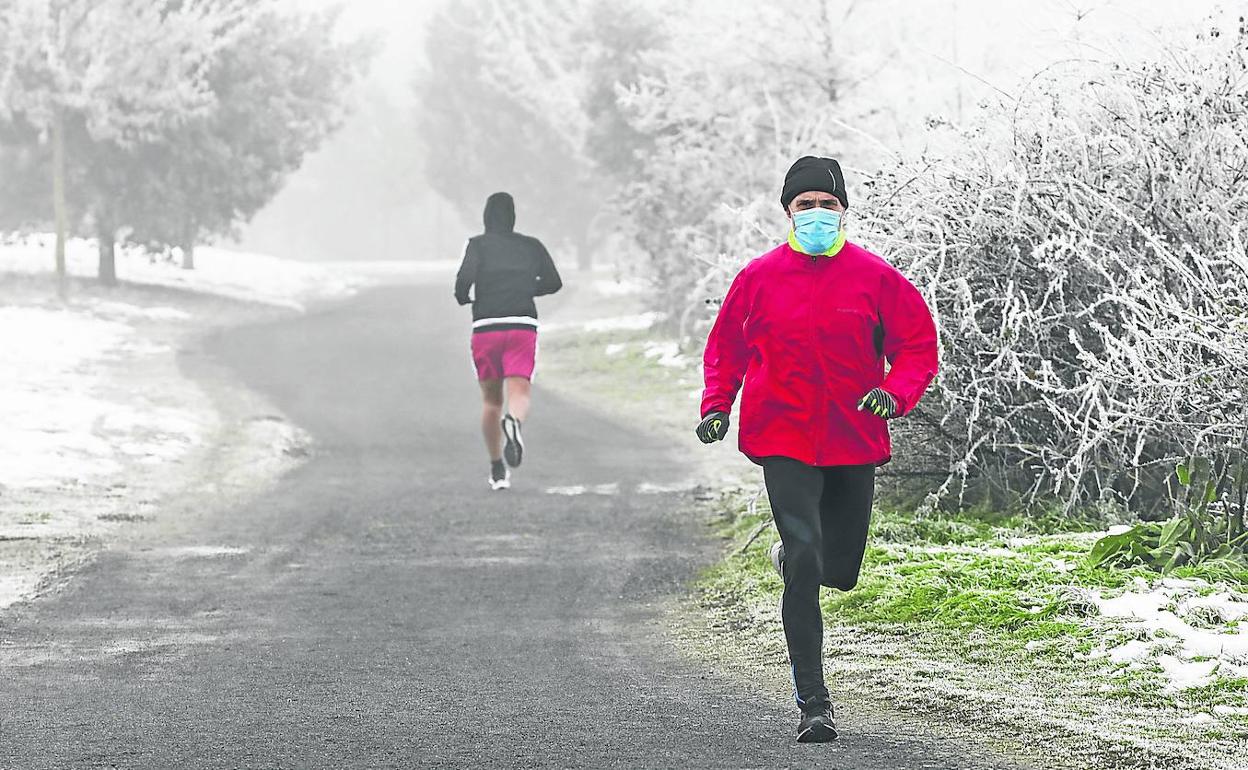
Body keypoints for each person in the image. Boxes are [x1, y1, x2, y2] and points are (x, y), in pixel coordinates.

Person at [695, 156, 939, 743]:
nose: (817, 215)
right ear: (787, 212)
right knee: (806, 557)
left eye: (827, 205)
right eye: (805, 205)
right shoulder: (757, 278)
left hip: (853, 436)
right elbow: (727, 349)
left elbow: (917, 347)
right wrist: (716, 405)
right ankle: (814, 703)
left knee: (841, 567)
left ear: (844, 211)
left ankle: (795, 558)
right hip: (782, 436)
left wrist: (894, 393)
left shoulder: (876, 278)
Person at [455, 191, 562, 490]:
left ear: (486, 216)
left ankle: (497, 469)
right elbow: (554, 282)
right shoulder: (531, 246)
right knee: (520, 388)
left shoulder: (477, 246)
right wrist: (527, 288)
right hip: (521, 324)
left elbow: (463, 283)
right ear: (513, 216)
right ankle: (514, 421)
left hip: (487, 326)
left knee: (491, 401)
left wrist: (466, 298)